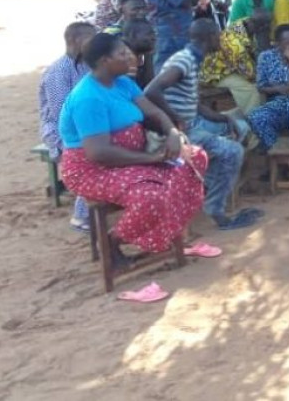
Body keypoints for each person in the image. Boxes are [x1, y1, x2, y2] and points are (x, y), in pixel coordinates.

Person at [58, 32, 208, 263]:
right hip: (94, 169)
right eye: (122, 53)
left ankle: (163, 232)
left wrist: (172, 133)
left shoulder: (123, 83)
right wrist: (152, 158)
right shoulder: (88, 98)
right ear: (103, 62)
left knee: (194, 157)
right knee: (151, 197)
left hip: (134, 159)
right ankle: (112, 241)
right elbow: (98, 153)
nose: (129, 57)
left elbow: (154, 112)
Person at [144, 20, 263, 230]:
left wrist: (224, 119)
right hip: (176, 135)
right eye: (218, 35)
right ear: (209, 38)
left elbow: (193, 104)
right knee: (233, 151)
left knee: (240, 125)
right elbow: (151, 91)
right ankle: (216, 209)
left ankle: (210, 181)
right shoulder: (184, 61)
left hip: (192, 125)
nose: (221, 39)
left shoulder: (194, 59)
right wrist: (175, 120)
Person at [39, 22, 98, 230]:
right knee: (91, 155)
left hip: (88, 125)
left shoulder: (89, 65)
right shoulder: (58, 72)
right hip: (61, 130)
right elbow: (61, 114)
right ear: (74, 41)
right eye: (91, 39)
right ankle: (82, 215)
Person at [201, 9, 272, 114]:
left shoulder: (244, 23)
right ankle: (253, 118)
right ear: (262, 28)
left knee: (260, 83)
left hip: (229, 65)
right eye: (267, 27)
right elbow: (249, 75)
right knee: (250, 87)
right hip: (214, 74)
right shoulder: (236, 46)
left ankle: (261, 112)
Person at [122, 19, 158, 88]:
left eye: (154, 34)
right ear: (132, 35)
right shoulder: (122, 57)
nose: (154, 38)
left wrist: (148, 57)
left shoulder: (142, 54)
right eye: (149, 34)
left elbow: (149, 84)